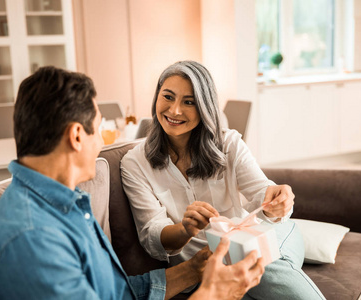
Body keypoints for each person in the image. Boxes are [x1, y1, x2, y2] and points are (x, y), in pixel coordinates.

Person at [0, 66, 264, 300]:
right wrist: (213, 295)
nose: (103, 141)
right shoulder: (33, 242)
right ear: (77, 136)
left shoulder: (65, 204)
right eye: (100, 127)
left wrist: (190, 272)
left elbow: (112, 292)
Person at [120, 61, 326, 299]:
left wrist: (278, 200)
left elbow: (263, 192)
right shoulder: (134, 163)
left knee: (258, 259)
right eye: (167, 97)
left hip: (253, 239)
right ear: (157, 97)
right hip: (206, 266)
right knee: (257, 269)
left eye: (189, 102)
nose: (174, 110)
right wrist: (185, 229)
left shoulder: (229, 144)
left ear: (205, 107)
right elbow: (153, 236)